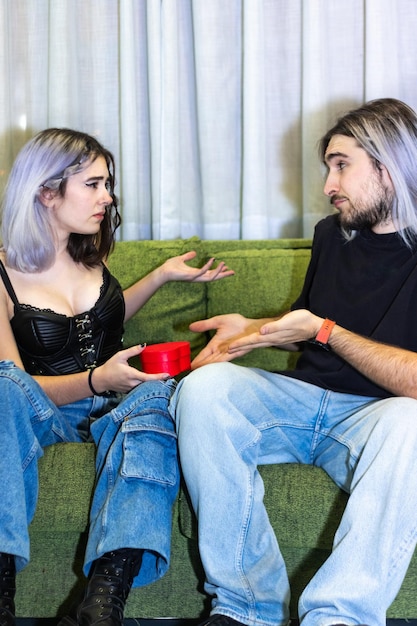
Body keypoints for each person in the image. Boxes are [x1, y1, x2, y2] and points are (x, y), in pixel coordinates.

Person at [169, 97, 417, 626]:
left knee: (413, 423)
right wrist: (255, 332)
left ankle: (338, 616)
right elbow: (313, 328)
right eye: (328, 166)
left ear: (390, 167)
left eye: (342, 165)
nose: (328, 184)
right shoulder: (333, 234)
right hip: (303, 403)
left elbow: (385, 364)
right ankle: (244, 607)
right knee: (205, 388)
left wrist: (323, 329)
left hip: (375, 420)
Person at [0, 128, 234, 626]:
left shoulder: (91, 254)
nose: (108, 197)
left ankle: (103, 600)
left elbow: (105, 318)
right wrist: (95, 381)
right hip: (47, 408)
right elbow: (15, 389)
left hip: (117, 400)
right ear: (46, 191)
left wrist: (162, 275)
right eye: (94, 184)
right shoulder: (1, 275)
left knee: (157, 400)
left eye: (108, 184)